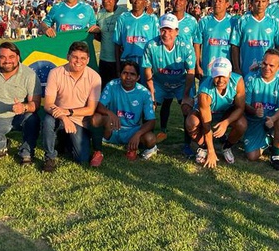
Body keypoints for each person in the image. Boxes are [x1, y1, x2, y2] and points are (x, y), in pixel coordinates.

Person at [0, 42, 41, 165]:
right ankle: (3, 144)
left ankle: (26, 153)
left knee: (32, 118)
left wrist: (24, 107)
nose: (7, 61)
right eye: (2, 57)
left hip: (20, 116)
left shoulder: (29, 75)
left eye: (11, 57)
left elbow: (35, 103)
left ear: (18, 57)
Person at [41, 41, 102, 172]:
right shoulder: (55, 73)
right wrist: (64, 117)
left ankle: (63, 141)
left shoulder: (94, 77)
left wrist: (68, 112)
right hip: (57, 116)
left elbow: (91, 109)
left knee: (81, 158)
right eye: (75, 57)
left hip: (80, 121)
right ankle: (49, 158)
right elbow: (48, 104)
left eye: (83, 58)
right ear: (68, 56)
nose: (78, 61)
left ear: (88, 60)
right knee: (48, 120)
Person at [142, 13, 196, 156]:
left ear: (177, 31)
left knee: (186, 107)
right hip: (159, 82)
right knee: (149, 107)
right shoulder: (151, 45)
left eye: (170, 30)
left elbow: (191, 71)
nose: (166, 34)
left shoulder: (185, 46)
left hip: (181, 83)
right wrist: (152, 93)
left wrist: (185, 95)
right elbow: (147, 70)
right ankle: (149, 143)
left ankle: (187, 145)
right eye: (163, 30)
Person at [186, 57, 247, 168]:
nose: (220, 80)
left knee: (242, 124)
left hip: (225, 112)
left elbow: (240, 108)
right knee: (192, 123)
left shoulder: (238, 81)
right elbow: (206, 124)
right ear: (212, 75)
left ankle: (226, 146)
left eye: (223, 75)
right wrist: (211, 151)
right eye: (217, 76)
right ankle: (204, 147)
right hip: (207, 113)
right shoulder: (204, 91)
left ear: (229, 74)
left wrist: (226, 122)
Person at [92, 60, 158, 161]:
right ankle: (99, 146)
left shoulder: (144, 92)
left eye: (132, 74)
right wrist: (110, 113)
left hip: (132, 130)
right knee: (96, 118)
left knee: (151, 139)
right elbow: (99, 106)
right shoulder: (112, 85)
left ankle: (141, 147)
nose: (128, 77)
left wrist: (137, 134)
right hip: (113, 127)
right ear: (120, 74)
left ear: (138, 77)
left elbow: (151, 121)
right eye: (125, 73)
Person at [243, 49, 279, 170]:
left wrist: (273, 119)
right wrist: (254, 111)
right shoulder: (250, 78)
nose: (266, 67)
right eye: (264, 63)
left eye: (271, 65)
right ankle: (267, 140)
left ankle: (275, 156)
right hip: (254, 120)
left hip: (272, 119)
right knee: (252, 156)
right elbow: (244, 104)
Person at [230, 0, 279, 77]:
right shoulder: (242, 21)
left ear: (267, 3)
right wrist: (236, 68)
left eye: (263, 1)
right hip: (246, 72)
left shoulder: (274, 22)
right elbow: (235, 46)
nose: (260, 4)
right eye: (257, 1)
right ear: (251, 2)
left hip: (268, 73)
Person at [89, 0, 128, 85]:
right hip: (104, 60)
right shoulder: (100, 14)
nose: (105, 0)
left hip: (120, 60)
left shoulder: (124, 13)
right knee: (104, 91)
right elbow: (98, 34)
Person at [114, 0, 159, 70]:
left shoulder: (152, 19)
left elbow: (157, 44)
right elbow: (117, 44)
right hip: (127, 61)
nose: (137, 1)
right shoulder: (123, 18)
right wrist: (118, 67)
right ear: (130, 0)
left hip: (146, 62)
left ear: (145, 2)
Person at [194, 0, 233, 80]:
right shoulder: (204, 21)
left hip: (226, 71)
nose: (216, 3)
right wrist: (197, 65)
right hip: (207, 70)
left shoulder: (233, 22)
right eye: (214, 1)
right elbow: (197, 44)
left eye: (220, 1)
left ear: (227, 4)